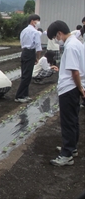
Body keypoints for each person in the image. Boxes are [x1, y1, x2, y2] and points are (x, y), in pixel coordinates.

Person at [46, 20, 85, 166]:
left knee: (68, 121)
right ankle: (71, 147)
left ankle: (67, 154)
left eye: (56, 37)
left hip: (69, 88)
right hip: (72, 88)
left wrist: (80, 89)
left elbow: (75, 72)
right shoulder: (77, 43)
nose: (57, 40)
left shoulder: (71, 47)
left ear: (59, 33)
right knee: (73, 120)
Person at [15, 14, 42, 103]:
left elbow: (22, 43)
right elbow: (38, 46)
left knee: (25, 74)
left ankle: (25, 94)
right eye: (37, 21)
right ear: (32, 21)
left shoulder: (24, 31)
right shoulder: (35, 32)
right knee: (27, 76)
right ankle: (19, 96)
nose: (38, 23)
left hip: (24, 52)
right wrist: (38, 57)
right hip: (30, 53)